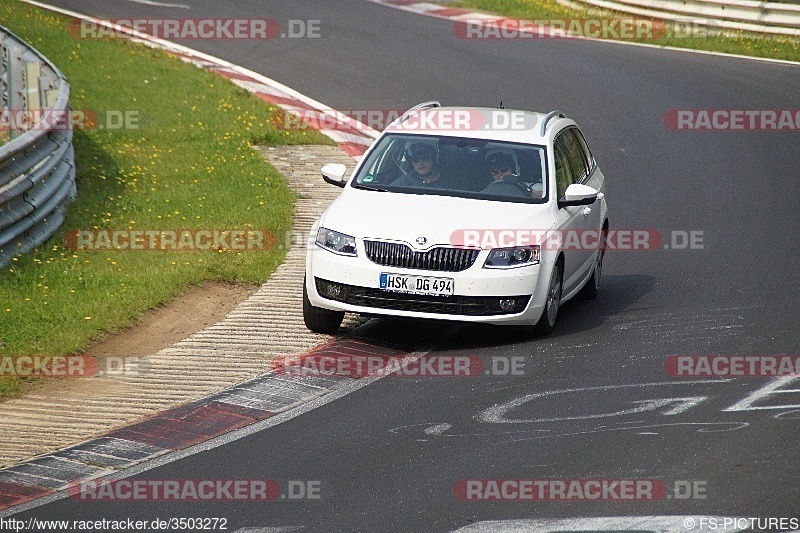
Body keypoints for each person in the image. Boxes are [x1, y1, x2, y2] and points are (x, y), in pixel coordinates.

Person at [391, 143, 455, 189]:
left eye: (425, 158)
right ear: (411, 163)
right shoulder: (403, 183)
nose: (420, 163)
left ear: (433, 159)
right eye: (415, 159)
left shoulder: (449, 182)